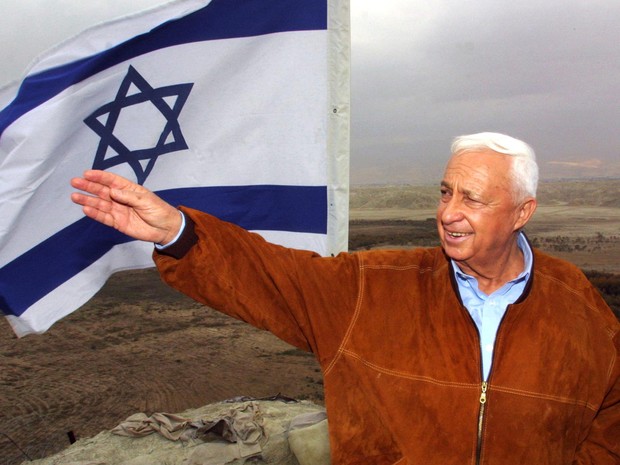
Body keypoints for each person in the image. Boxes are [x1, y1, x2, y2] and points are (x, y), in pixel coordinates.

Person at [71, 132, 619, 465]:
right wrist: (178, 232)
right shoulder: (374, 287)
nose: (449, 212)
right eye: (446, 191)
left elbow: (610, 420)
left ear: (522, 212)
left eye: (472, 198)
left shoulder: (576, 305)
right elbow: (274, 276)